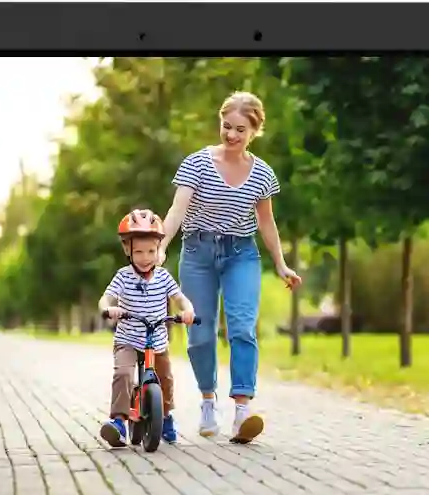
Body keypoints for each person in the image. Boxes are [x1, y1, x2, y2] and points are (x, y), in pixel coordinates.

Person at [148, 91, 302, 444]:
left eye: (240, 130)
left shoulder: (262, 173)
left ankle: (243, 410)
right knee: (199, 332)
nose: (231, 135)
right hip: (198, 253)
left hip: (241, 255)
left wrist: (280, 264)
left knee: (242, 327)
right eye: (226, 126)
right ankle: (207, 401)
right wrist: (161, 246)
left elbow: (266, 222)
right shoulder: (197, 164)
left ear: (254, 131)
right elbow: (177, 210)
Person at [97, 210, 196, 448]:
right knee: (123, 374)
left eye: (151, 251)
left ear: (159, 249)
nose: (145, 257)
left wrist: (188, 310)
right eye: (139, 251)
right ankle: (119, 421)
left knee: (166, 378)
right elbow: (106, 298)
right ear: (127, 250)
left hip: (157, 339)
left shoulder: (163, 277)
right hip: (128, 338)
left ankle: (165, 416)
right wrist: (109, 309)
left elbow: (180, 299)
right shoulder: (123, 276)